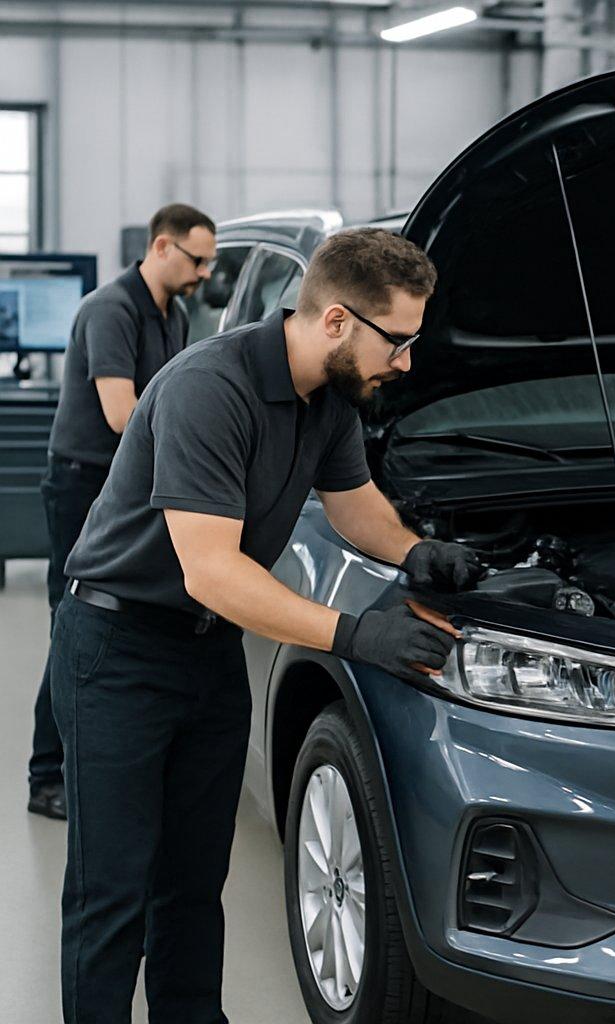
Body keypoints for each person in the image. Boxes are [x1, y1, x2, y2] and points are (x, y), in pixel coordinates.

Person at [48, 228, 485, 1023]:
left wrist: (418, 552)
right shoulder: (209, 389)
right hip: (118, 651)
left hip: (207, 654)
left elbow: (356, 510)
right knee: (111, 889)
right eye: (400, 340)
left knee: (191, 882)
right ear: (337, 323)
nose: (408, 362)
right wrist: (357, 634)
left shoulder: (330, 399)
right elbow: (210, 570)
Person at [26, 202, 216, 820]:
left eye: (210, 263)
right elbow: (121, 413)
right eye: (197, 260)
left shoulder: (177, 312)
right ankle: (47, 777)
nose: (204, 274)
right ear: (161, 247)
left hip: (128, 486)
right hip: (83, 485)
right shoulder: (111, 309)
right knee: (73, 626)